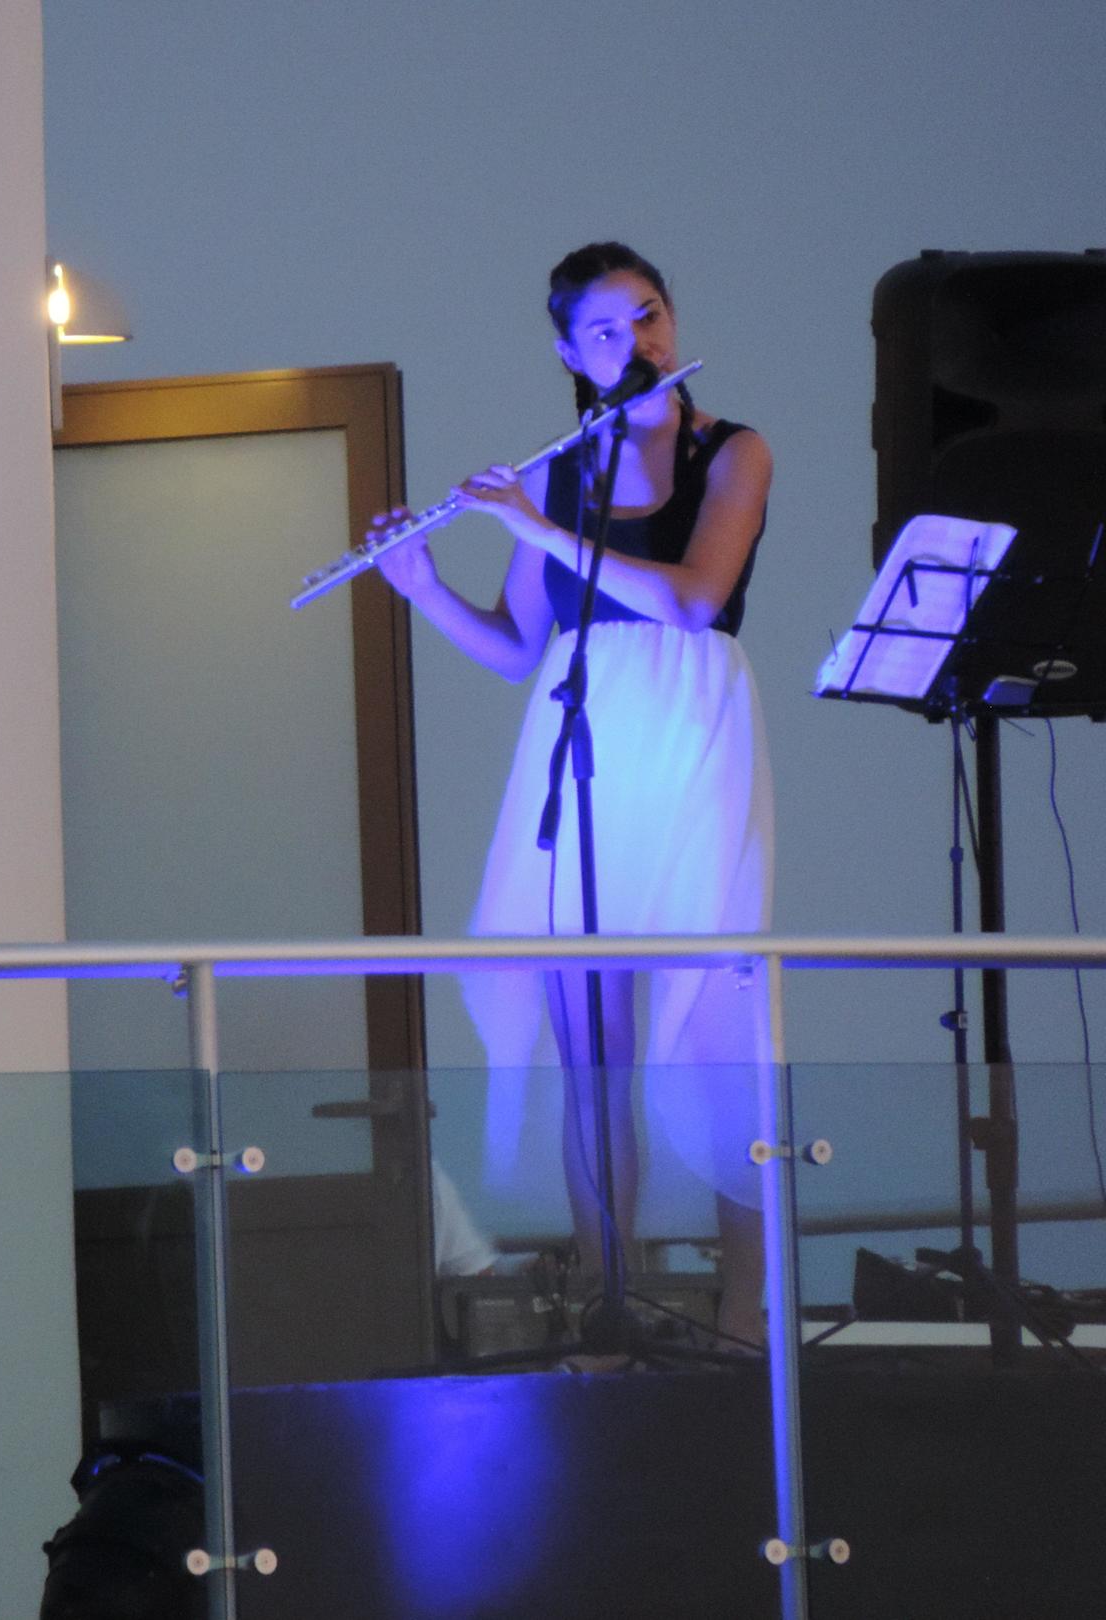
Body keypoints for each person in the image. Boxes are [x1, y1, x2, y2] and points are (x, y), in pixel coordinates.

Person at [372, 242, 774, 1346]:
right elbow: (517, 648)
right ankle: (611, 1307)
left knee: (718, 1038)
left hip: (691, 731)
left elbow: (694, 601)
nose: (637, 340)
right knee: (595, 1049)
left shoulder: (733, 451)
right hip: (580, 731)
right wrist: (422, 586)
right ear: (569, 353)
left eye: (649, 315)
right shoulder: (554, 474)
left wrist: (540, 531)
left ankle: (747, 1323)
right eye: (606, 329)